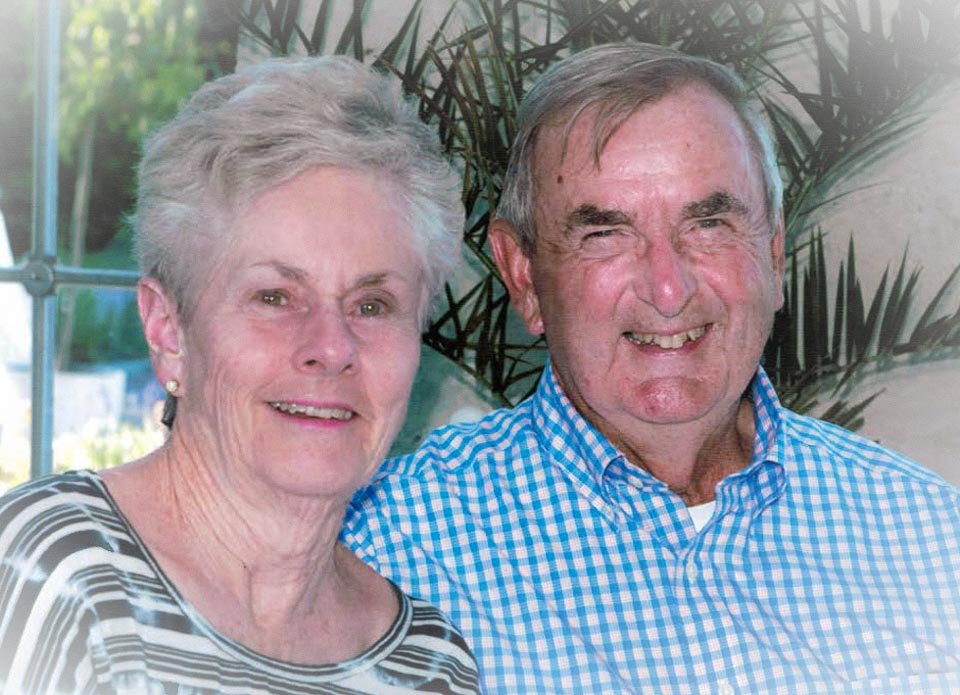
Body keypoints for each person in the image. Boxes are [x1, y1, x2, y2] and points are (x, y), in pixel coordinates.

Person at [342, 42, 960, 693]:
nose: (668, 290)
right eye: (604, 233)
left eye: (710, 223)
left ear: (775, 256)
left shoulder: (926, 533)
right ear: (523, 275)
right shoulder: (384, 551)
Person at [0, 56, 480, 694]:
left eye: (372, 305)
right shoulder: (49, 568)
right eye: (275, 297)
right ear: (169, 330)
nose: (330, 348)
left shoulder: (427, 662)